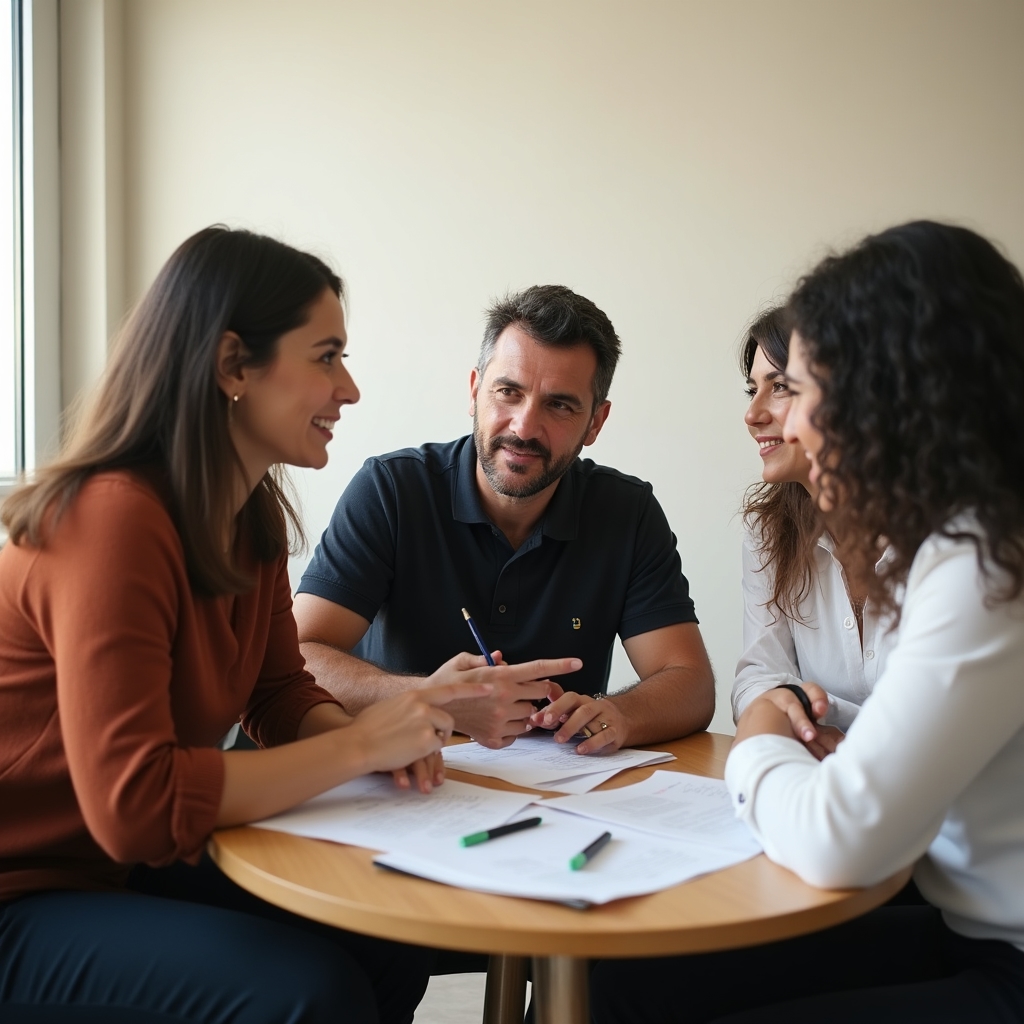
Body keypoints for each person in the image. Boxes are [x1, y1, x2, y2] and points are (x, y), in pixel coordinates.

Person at [0, 226, 580, 1024]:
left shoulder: (249, 521)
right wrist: (360, 744)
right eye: (326, 355)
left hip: (108, 866)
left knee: (388, 931)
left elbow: (276, 694)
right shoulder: (112, 520)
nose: (349, 390)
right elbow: (137, 804)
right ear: (234, 365)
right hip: (24, 886)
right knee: (308, 993)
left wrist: (378, 752)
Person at [592, 221, 1024, 1022]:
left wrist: (758, 734)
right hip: (956, 911)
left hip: (1004, 951)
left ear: (892, 391)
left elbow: (841, 838)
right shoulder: (960, 536)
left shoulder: (989, 561)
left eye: (804, 387)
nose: (784, 423)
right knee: (625, 977)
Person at [293, 284, 715, 755]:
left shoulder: (628, 512)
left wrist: (622, 714)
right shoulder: (391, 489)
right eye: (508, 392)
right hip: (403, 783)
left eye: (559, 405)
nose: (524, 427)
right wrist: (436, 700)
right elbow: (297, 658)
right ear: (475, 391)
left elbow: (691, 683)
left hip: (563, 798)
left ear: (595, 422)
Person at [732, 307, 899, 759]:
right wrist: (790, 713)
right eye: (753, 389)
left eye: (780, 386)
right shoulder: (768, 532)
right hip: (822, 775)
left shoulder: (945, 537)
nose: (752, 413)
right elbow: (757, 676)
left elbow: (938, 725)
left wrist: (801, 717)